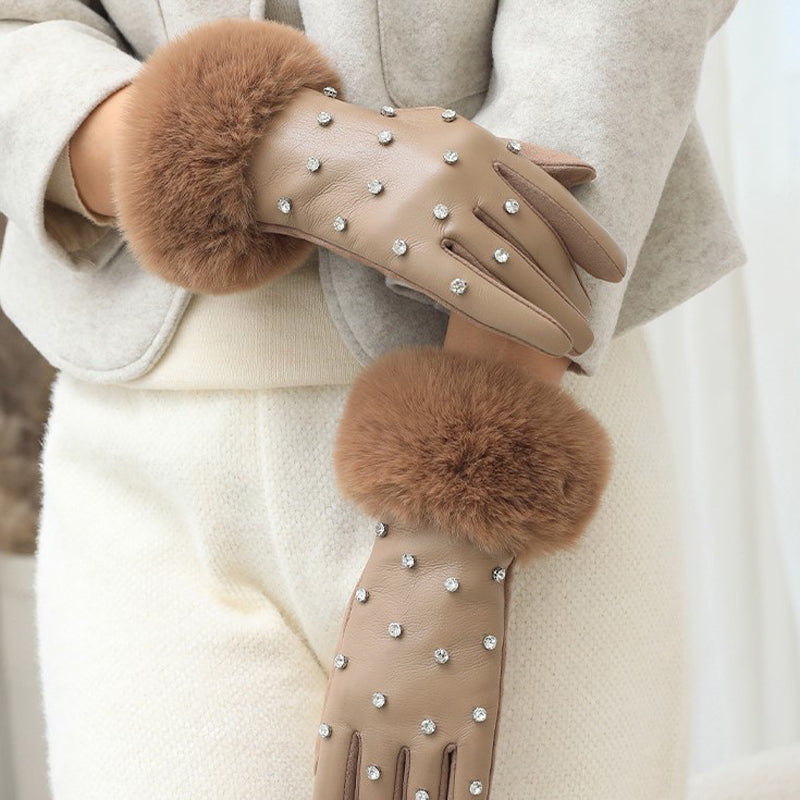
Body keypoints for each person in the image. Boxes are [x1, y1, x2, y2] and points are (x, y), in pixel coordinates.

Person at [0, 2, 744, 798]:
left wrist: (464, 505)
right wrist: (271, 153)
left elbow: (611, 27)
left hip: (526, 410)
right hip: (139, 469)